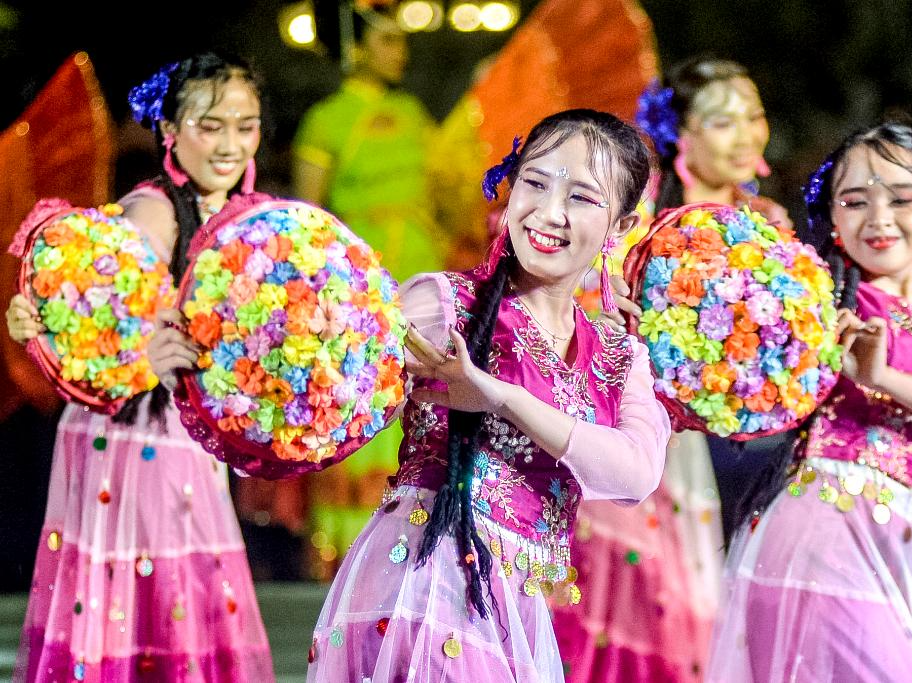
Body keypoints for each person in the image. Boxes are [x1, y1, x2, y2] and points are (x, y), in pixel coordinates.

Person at [305, 108, 670, 682]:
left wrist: (498, 397)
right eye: (535, 182)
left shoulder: (621, 356)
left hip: (514, 606)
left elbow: (634, 474)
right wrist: (322, 342)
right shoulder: (443, 305)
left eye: (580, 197)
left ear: (620, 228)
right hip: (422, 580)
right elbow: (343, 389)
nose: (548, 213)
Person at [706, 122, 912, 682]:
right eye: (855, 201)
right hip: (820, 540)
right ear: (833, 216)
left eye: (901, 198)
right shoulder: (811, 306)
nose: (878, 218)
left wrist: (884, 377)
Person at [7, 53, 274, 682]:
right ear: (172, 132)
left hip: (185, 440)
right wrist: (45, 324)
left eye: (246, 125)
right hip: (131, 440)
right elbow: (88, 333)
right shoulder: (151, 215)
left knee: (180, 602)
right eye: (211, 125)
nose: (231, 143)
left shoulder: (249, 217)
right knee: (149, 608)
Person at [555, 57, 789, 682]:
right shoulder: (640, 210)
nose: (745, 134)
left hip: (723, 444)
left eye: (754, 116)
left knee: (708, 598)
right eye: (722, 121)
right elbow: (581, 301)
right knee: (639, 594)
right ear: (679, 134)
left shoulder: (768, 226)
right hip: (631, 425)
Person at [291, 3, 445, 575]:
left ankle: (419, 530)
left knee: (421, 390)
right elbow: (308, 216)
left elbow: (447, 182)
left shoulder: (413, 112)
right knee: (365, 390)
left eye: (403, 41)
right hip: (360, 282)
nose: (400, 51)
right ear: (356, 46)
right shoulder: (326, 120)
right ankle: (349, 552)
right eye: (387, 40)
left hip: (420, 267)